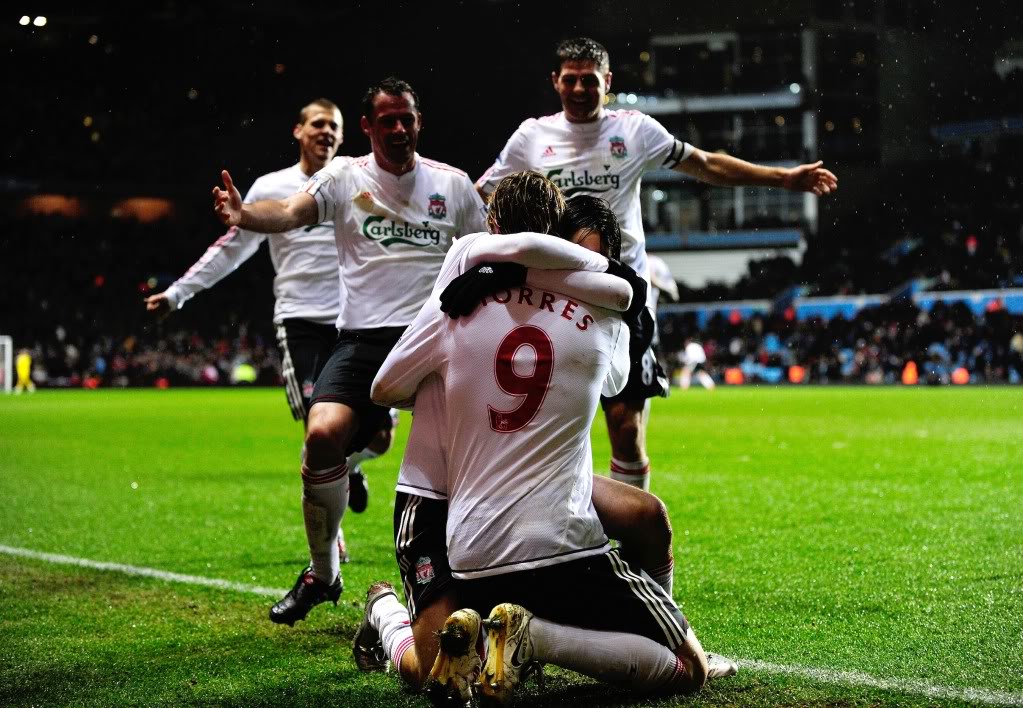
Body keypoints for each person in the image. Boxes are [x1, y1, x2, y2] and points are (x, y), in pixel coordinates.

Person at [365, 175, 733, 704]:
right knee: (430, 668)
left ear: (494, 226)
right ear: (554, 235)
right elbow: (617, 347)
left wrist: (452, 377)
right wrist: (610, 285)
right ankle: (386, 614)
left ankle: (631, 622)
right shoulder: (600, 305)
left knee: (646, 515)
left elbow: (384, 387)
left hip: (484, 512)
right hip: (442, 490)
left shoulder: (462, 287)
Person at [477, 37, 838, 492]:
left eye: (590, 80)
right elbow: (485, 193)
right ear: (555, 81)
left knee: (625, 429)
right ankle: (554, 525)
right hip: (555, 296)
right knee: (549, 429)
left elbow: (705, 164)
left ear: (607, 81)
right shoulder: (532, 137)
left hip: (623, 293)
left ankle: (633, 533)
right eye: (571, 79)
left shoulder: (635, 130)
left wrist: (783, 178)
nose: (580, 89)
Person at [211, 77, 488, 626]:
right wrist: (244, 216)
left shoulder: (453, 186)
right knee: (321, 435)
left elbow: (488, 252)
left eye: (407, 118)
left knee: (463, 462)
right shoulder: (344, 176)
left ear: (419, 121)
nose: (399, 129)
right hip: (363, 339)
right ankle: (323, 574)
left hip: (434, 338)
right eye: (387, 120)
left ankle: (477, 574)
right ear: (367, 127)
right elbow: (290, 211)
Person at [144, 100, 383, 540]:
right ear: (298, 130)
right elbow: (231, 249)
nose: (326, 131)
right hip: (300, 321)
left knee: (380, 438)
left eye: (334, 126)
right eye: (317, 123)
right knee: (318, 428)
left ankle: (348, 467)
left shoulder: (356, 182)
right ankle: (330, 537)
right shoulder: (272, 187)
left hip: (356, 322)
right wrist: (178, 293)